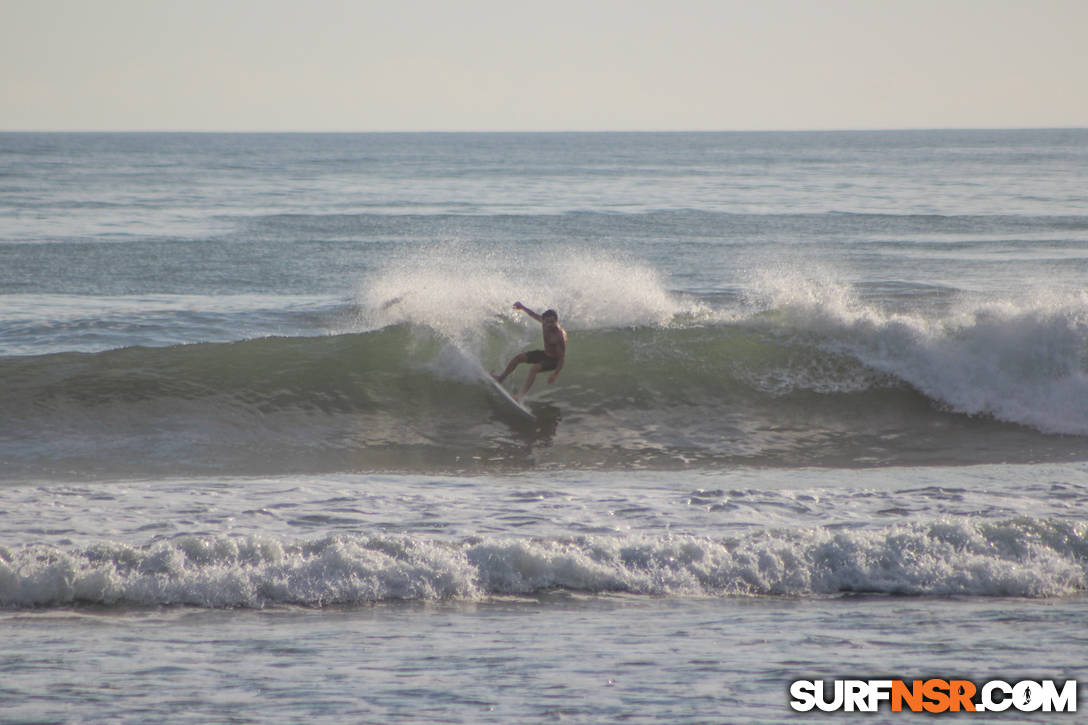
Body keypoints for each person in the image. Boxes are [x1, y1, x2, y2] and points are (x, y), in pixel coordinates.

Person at [493, 302, 567, 401]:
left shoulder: (558, 336)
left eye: (552, 322)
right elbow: (533, 314)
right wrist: (522, 307)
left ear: (556, 321)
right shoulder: (543, 322)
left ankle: (519, 396)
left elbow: (561, 359)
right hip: (545, 354)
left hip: (554, 360)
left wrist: (555, 374)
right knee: (518, 358)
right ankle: (500, 378)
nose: (550, 324)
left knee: (534, 369)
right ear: (543, 320)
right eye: (547, 321)